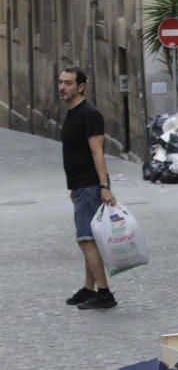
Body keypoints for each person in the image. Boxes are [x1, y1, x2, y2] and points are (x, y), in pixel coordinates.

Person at [59, 67, 118, 309]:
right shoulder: (73, 113)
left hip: (90, 185)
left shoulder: (89, 114)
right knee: (90, 239)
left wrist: (104, 186)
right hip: (80, 185)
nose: (63, 87)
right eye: (61, 82)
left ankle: (105, 294)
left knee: (86, 240)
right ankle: (88, 288)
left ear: (81, 86)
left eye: (69, 83)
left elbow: (97, 152)